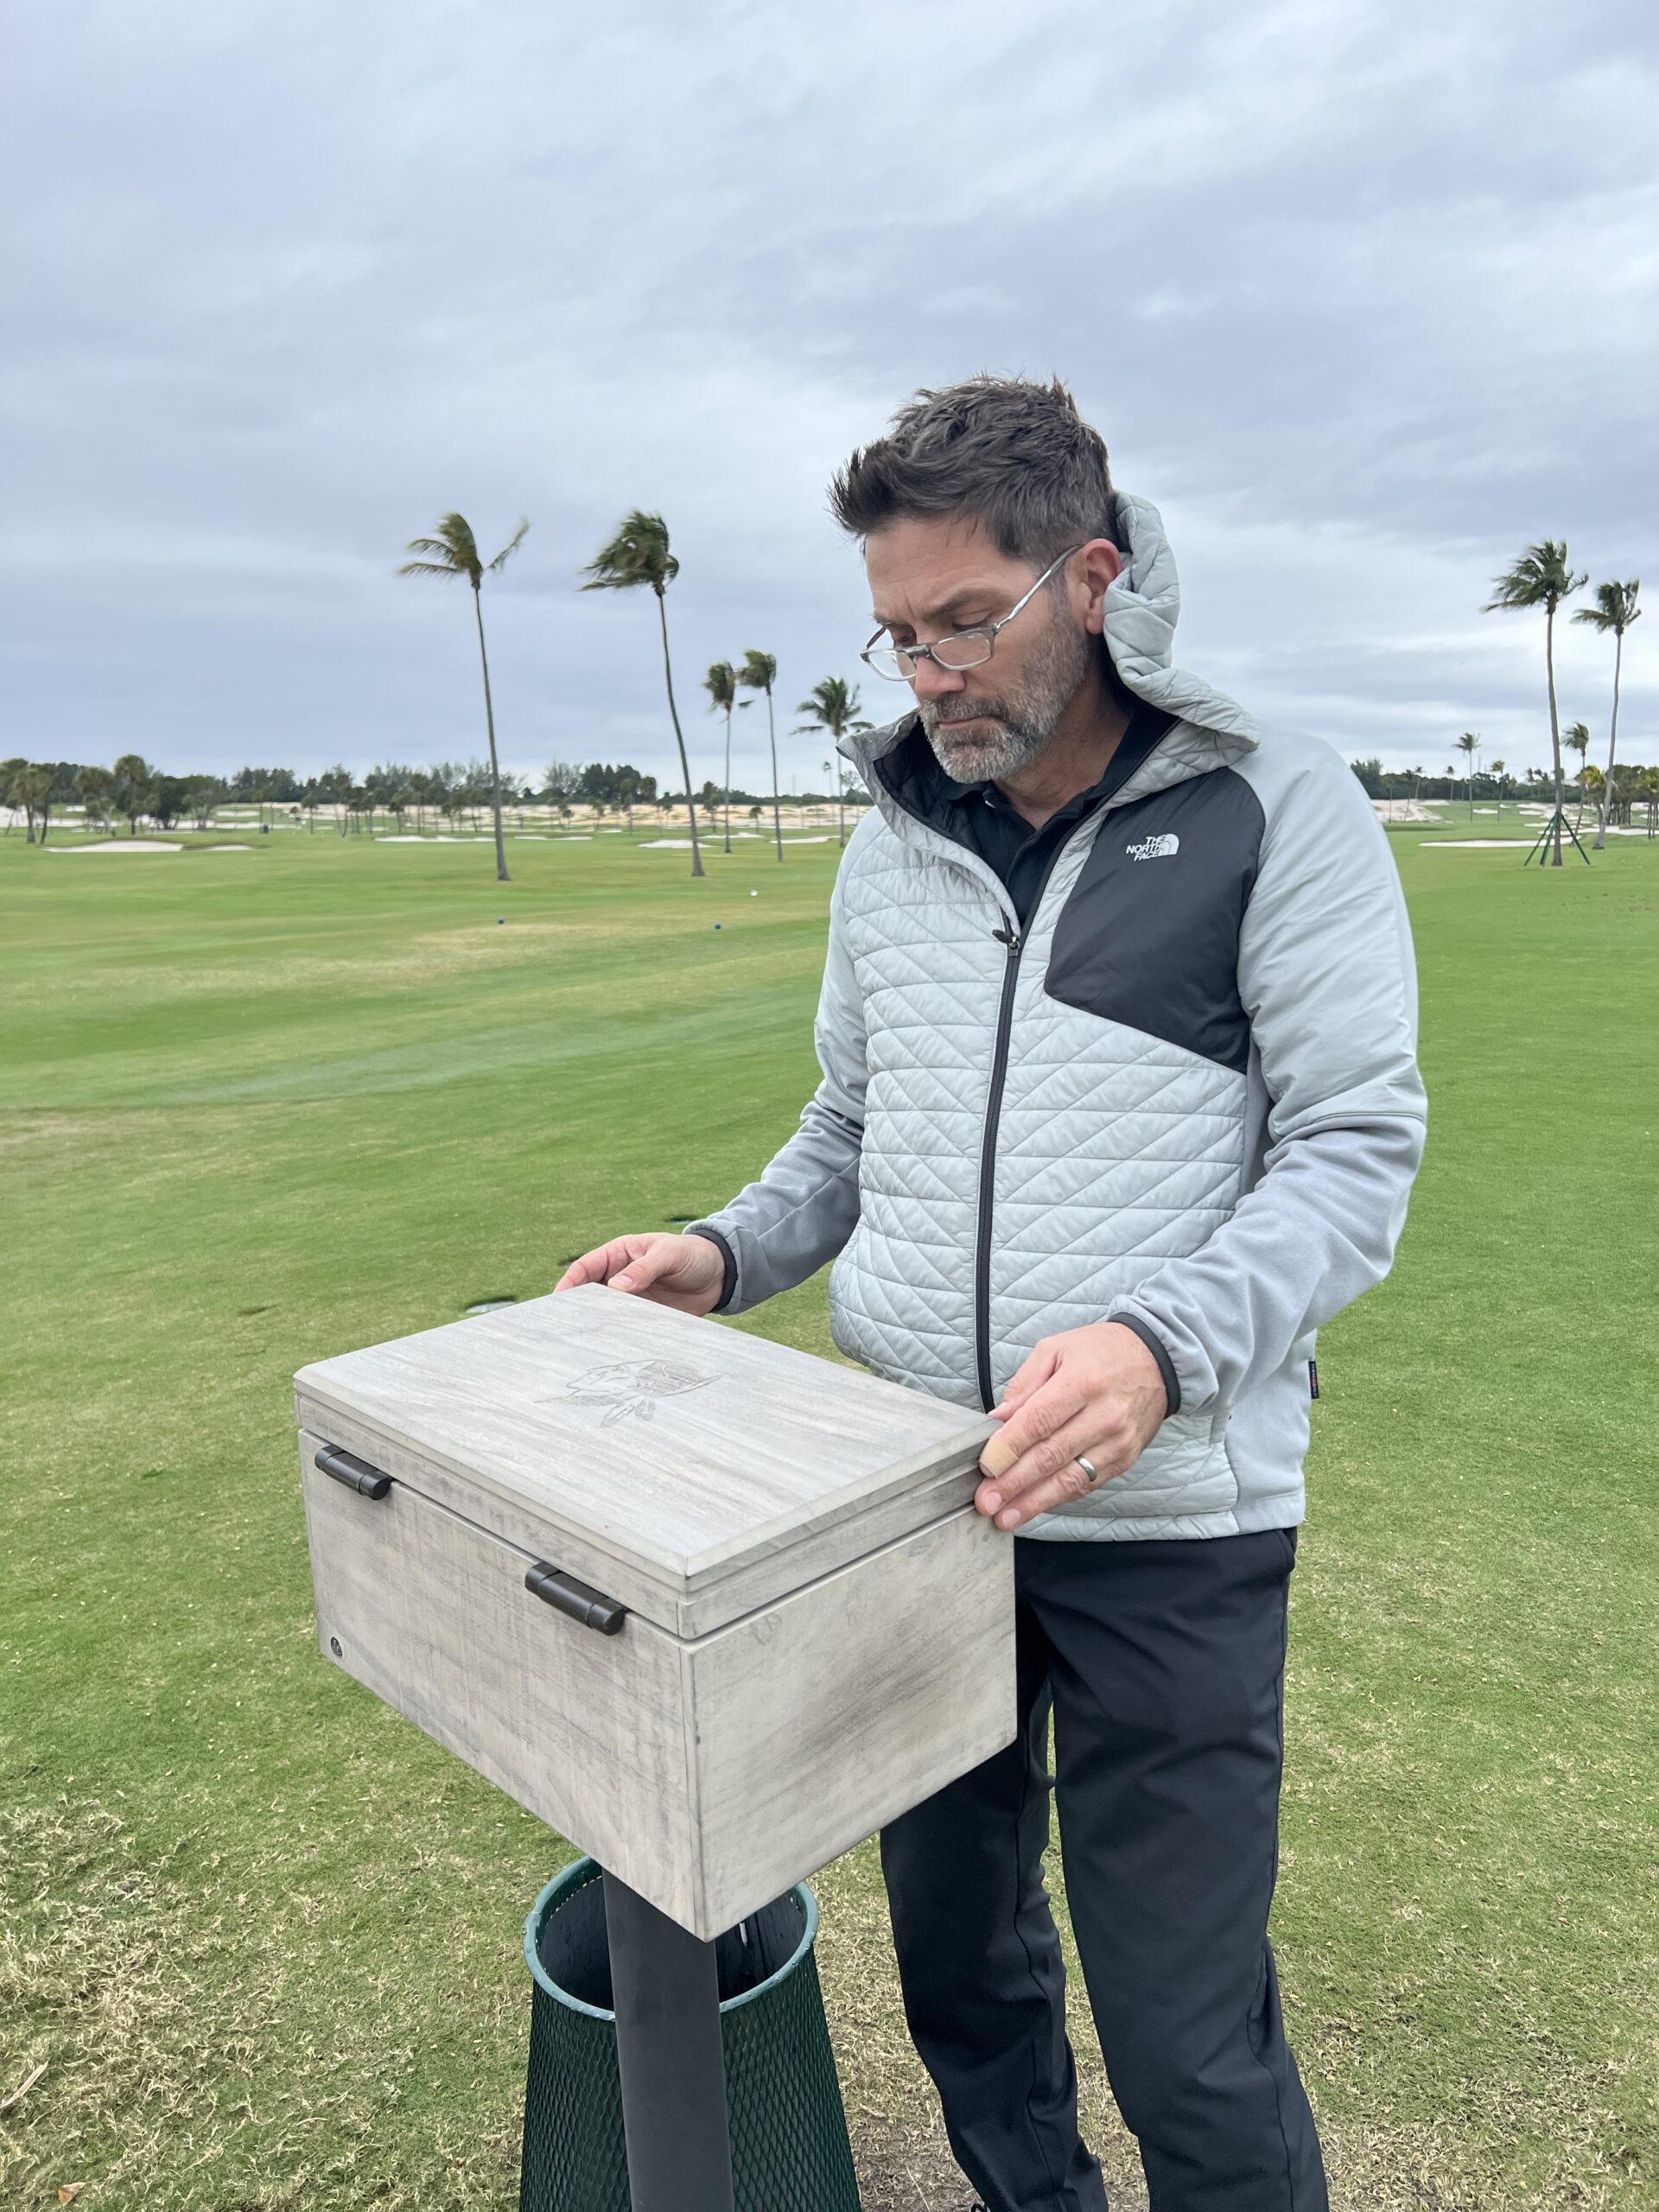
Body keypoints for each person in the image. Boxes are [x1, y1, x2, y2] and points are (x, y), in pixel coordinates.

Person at [554, 373, 1427, 2212]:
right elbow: (851, 1128)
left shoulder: (1278, 806)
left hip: (1171, 1520)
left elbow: (1354, 1149)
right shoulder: (896, 840)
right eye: (898, 633)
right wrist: (719, 1251)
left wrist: (1157, 1344)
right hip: (916, 1511)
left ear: (1088, 578)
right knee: (966, 1985)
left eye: (966, 620)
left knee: (1188, 2040)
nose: (929, 672)